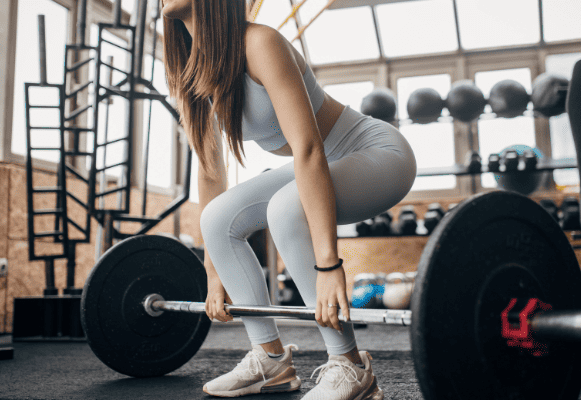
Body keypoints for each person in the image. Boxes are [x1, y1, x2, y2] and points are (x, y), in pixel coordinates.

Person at [161, 1, 416, 398]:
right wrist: (213, 271)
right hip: (320, 163)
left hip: (376, 154)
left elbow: (309, 149)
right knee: (217, 218)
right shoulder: (191, 70)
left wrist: (329, 265)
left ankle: (350, 366)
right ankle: (270, 361)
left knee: (285, 206)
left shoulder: (259, 42)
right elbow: (211, 172)